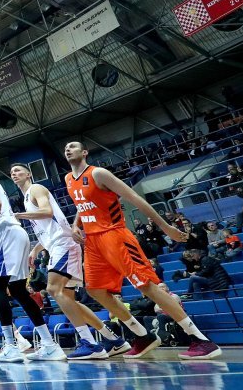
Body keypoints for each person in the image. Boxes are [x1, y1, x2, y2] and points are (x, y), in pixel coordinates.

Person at [64, 140, 221, 359]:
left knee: (146, 286)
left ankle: (200, 339)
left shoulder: (99, 174)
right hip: (92, 241)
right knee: (95, 290)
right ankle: (142, 335)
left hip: (115, 235)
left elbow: (135, 198)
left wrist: (166, 227)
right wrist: (74, 225)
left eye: (73, 146)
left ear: (85, 152)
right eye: (66, 148)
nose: (68, 149)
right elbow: (82, 205)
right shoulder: (69, 179)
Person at [11, 163, 129, 360]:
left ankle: (91, 344)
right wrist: (35, 250)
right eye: (12, 172)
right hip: (55, 245)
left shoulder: (36, 189)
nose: (14, 173)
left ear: (28, 173)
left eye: (18, 170)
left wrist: (18, 216)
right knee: (68, 300)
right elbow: (47, 228)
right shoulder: (25, 198)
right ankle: (114, 340)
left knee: (53, 290)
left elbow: (47, 212)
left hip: (63, 244)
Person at [0, 159, 62, 362]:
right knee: (18, 291)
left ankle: (11, 346)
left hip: (3, 233)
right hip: (15, 233)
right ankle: (50, 345)